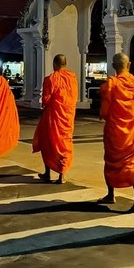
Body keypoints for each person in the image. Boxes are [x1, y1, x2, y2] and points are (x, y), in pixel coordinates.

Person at [97, 52, 134, 212]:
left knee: (111, 160)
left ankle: (111, 193)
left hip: (116, 132)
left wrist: (105, 115)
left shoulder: (111, 84)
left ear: (113, 66)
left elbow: (105, 111)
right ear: (129, 65)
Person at [32, 54, 79, 184]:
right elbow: (74, 97)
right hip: (67, 117)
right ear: (65, 64)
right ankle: (61, 175)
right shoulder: (72, 78)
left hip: (53, 116)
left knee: (47, 143)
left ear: (54, 64)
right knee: (64, 144)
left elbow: (46, 100)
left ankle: (47, 173)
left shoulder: (51, 79)